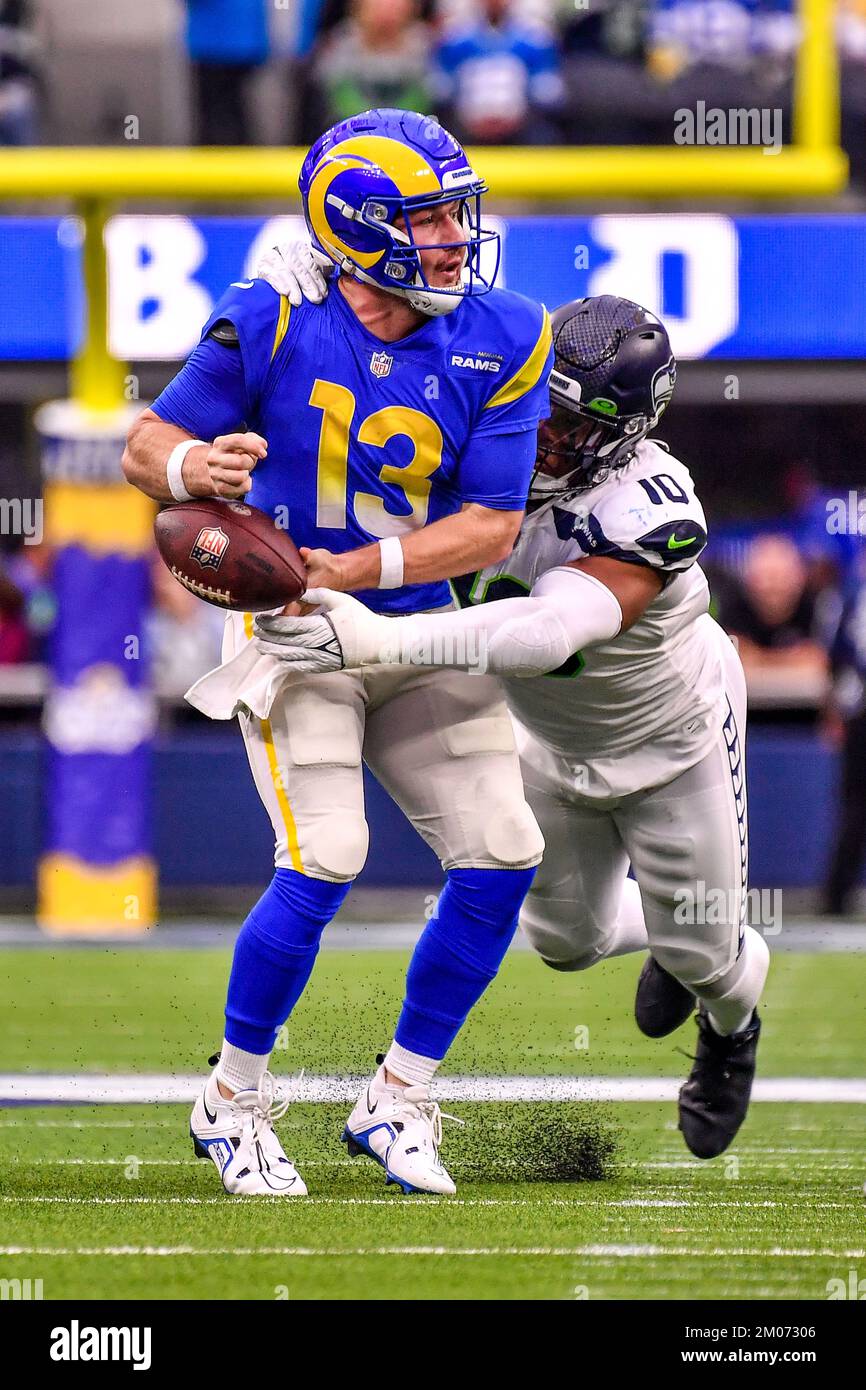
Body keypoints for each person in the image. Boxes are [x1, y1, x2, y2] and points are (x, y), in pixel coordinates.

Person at [122, 108, 552, 1197]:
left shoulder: (506, 332)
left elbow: (492, 526)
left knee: (503, 848)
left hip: (405, 620)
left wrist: (352, 574)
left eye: (459, 213)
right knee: (329, 854)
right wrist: (198, 475)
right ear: (358, 229)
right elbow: (145, 445)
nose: (455, 237)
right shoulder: (271, 314)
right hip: (294, 632)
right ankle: (231, 1100)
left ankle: (398, 1095)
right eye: (428, 218)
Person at [258, 288, 770, 1159]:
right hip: (547, 739)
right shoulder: (474, 430)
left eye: (568, 426)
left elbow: (544, 632)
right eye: (540, 405)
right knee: (569, 945)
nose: (540, 435)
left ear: (622, 435)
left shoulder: (650, 506)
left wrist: (379, 636)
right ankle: (672, 935)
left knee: (709, 956)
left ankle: (732, 1026)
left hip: (670, 742)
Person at [432, 0, 564, 145]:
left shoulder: (535, 39)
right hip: (465, 129)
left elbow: (550, 93)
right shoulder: (455, 38)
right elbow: (439, 90)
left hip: (521, 129)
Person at [312, 0, 432, 128]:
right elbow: (338, 92)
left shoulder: (425, 46)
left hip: (412, 132)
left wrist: (393, 122)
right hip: (350, 132)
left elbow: (427, 92)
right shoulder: (342, 43)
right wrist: (370, 123)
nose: (386, 9)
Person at [184, 0, 270, 146]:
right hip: (246, 40)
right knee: (236, 110)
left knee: (216, 116)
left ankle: (218, 159)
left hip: (214, 44)